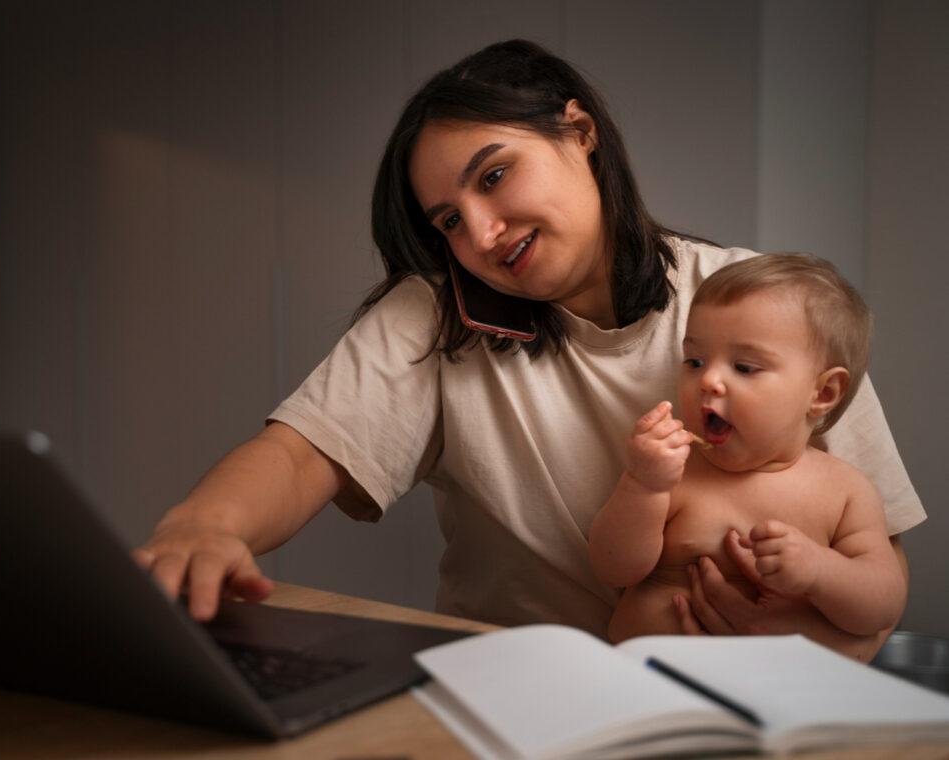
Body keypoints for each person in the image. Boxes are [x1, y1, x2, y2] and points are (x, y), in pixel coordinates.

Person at [135, 39, 924, 659]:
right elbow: (302, 455)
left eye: (496, 174)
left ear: (580, 134)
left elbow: (871, 575)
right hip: (511, 687)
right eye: (447, 220)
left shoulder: (758, 302)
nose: (479, 234)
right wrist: (204, 524)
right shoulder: (439, 314)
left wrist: (797, 643)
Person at [590, 254, 907, 655]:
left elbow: (882, 606)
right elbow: (613, 568)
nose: (708, 380)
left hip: (778, 694)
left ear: (822, 393)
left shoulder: (845, 492)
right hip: (647, 685)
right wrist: (641, 486)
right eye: (695, 361)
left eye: (743, 367)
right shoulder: (673, 473)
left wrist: (820, 572)